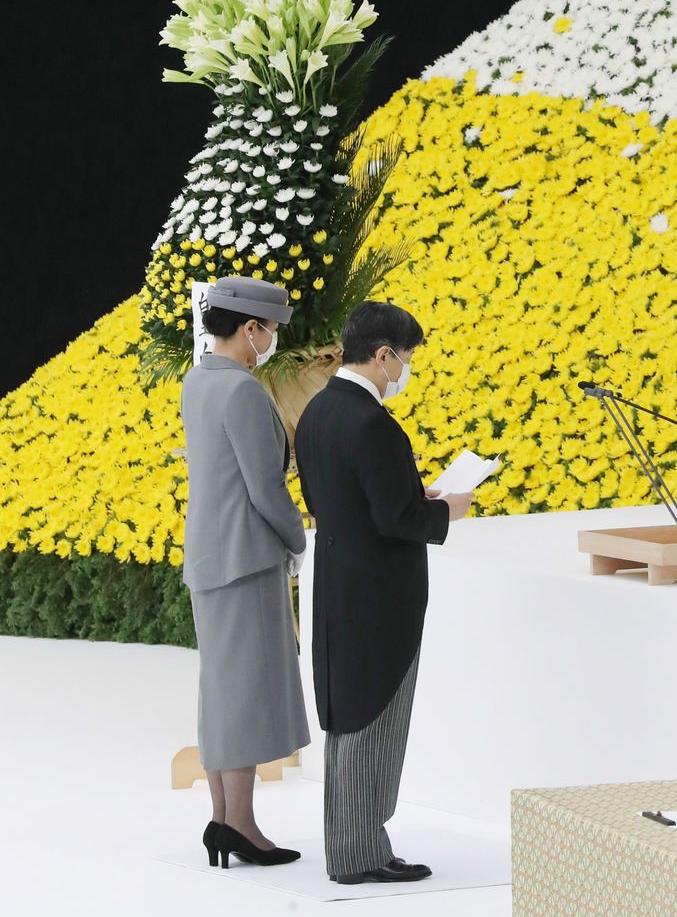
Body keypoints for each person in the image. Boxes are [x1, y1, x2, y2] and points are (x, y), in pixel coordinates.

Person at [293, 300, 473, 884]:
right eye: (407, 357)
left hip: (338, 583)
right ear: (383, 355)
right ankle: (358, 855)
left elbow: (338, 498)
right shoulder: (373, 423)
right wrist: (447, 508)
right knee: (375, 722)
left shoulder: (319, 411)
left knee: (348, 720)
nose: (407, 368)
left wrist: (409, 494)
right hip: (378, 595)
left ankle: (356, 845)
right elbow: (397, 519)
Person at [181, 275, 310, 869]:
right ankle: (242, 826)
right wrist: (297, 539)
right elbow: (266, 487)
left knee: (220, 691)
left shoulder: (197, 382)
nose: (273, 339)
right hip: (246, 559)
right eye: (271, 329)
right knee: (245, 697)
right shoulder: (243, 393)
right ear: (250, 327)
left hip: (209, 557)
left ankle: (222, 820)